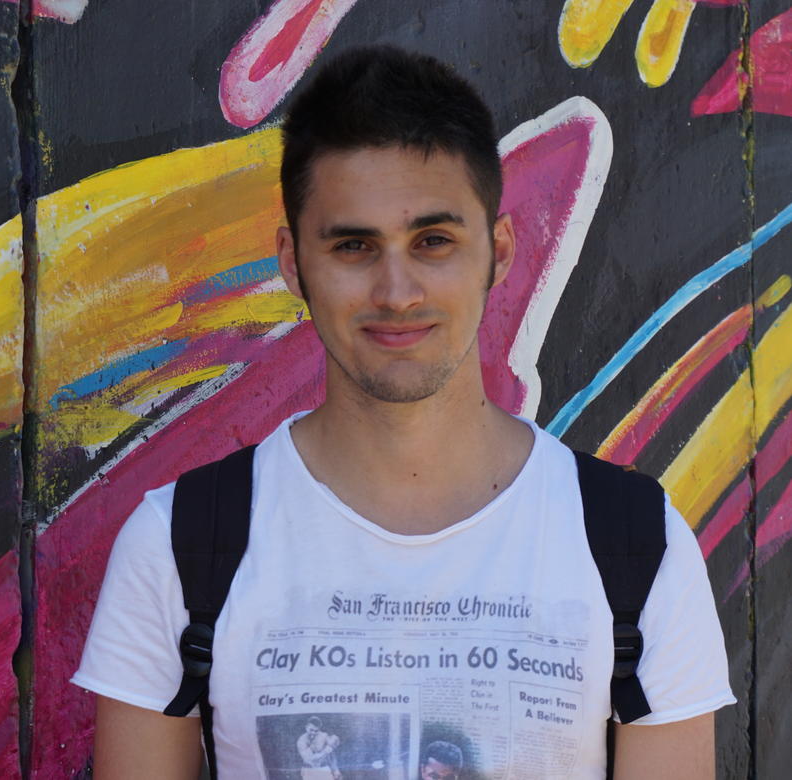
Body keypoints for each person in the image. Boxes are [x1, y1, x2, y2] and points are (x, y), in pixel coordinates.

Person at [72, 45, 734, 778]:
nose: (396, 292)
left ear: (498, 251)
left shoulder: (636, 544)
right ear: (293, 263)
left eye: (433, 241)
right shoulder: (179, 545)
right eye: (354, 246)